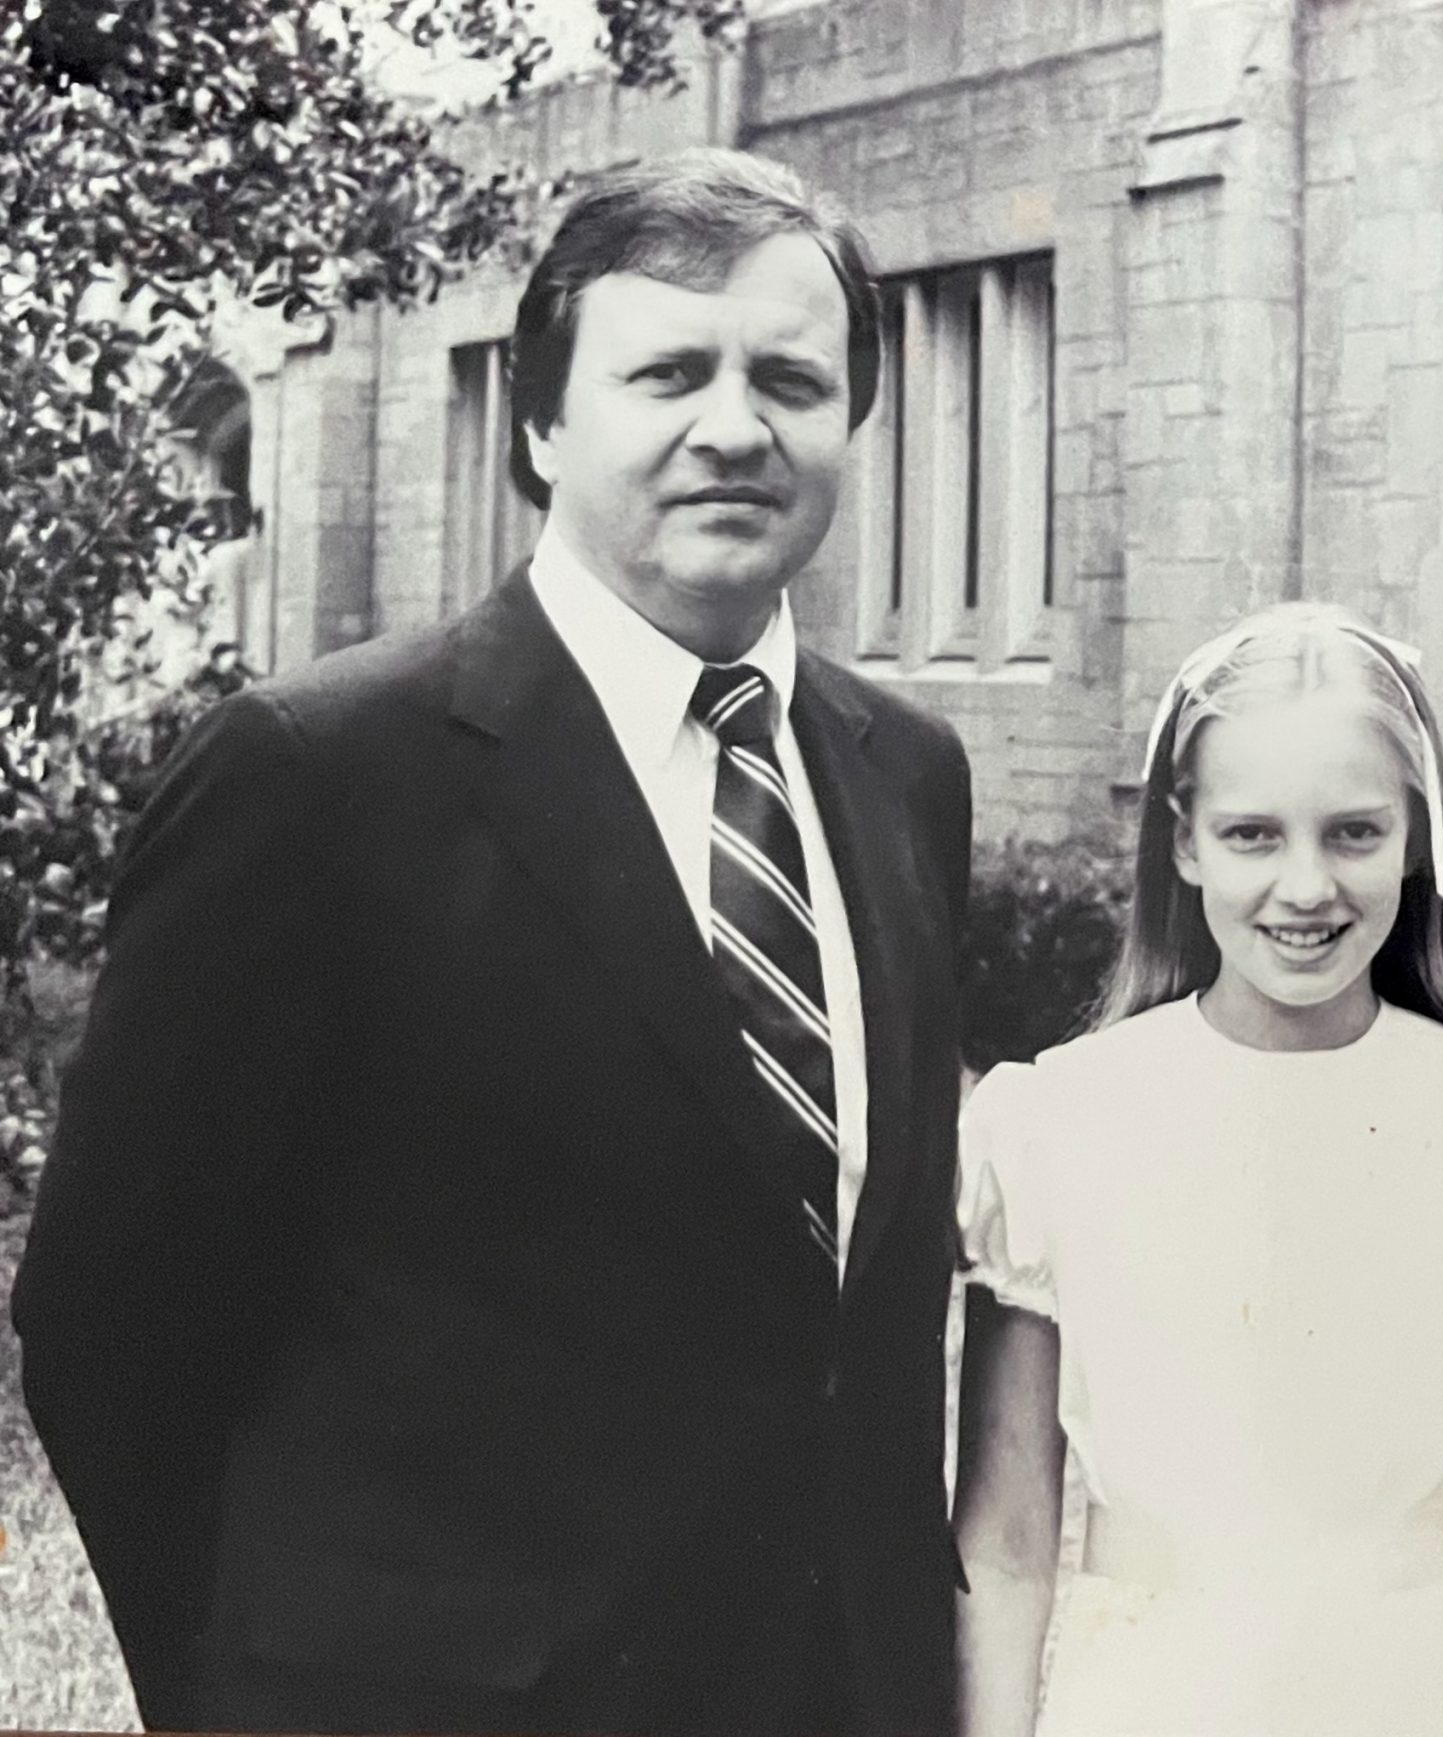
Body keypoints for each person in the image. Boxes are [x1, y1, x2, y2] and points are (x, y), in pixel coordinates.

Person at [12, 148, 971, 1736]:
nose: (734, 425)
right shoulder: (316, 775)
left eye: (790, 379)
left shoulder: (904, 773)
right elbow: (115, 1321)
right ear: (540, 423)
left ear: (848, 428)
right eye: (668, 370)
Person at [949, 604, 1443, 1737]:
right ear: (1183, 839)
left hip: (1421, 1694)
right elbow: (1007, 1545)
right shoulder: (1055, 1125)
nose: (1305, 888)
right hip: (1149, 1694)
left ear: (1417, 837)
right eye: (1253, 834)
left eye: (1353, 833)